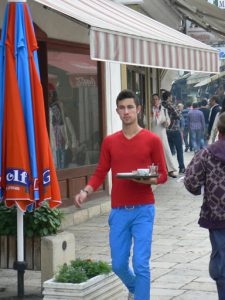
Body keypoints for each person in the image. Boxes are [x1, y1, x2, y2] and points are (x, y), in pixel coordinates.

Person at [74, 89, 167, 300]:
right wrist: (85, 191)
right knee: (118, 265)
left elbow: (162, 175)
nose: (126, 112)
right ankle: (135, 289)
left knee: (141, 264)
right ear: (117, 111)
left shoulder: (152, 140)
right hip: (118, 211)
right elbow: (100, 172)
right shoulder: (110, 141)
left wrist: (146, 180)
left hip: (144, 209)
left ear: (138, 109)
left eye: (130, 107)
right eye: (122, 108)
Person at [184, 112, 225, 300]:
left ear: (218, 130)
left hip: (217, 217)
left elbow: (191, 182)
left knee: (222, 262)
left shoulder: (207, 153)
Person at [151, 93, 177, 178]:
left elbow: (168, 122)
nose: (155, 101)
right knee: (152, 152)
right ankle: (153, 171)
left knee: (166, 151)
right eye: (153, 99)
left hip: (162, 132)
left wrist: (166, 123)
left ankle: (171, 170)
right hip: (152, 132)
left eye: (156, 99)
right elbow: (145, 121)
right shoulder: (149, 110)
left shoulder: (164, 110)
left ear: (159, 100)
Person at [162, 91, 186, 174]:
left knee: (168, 150)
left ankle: (168, 168)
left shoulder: (161, 105)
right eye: (171, 96)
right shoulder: (170, 105)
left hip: (165, 130)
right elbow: (179, 116)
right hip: (174, 130)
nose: (171, 98)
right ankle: (182, 167)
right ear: (168, 97)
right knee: (179, 149)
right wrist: (178, 113)